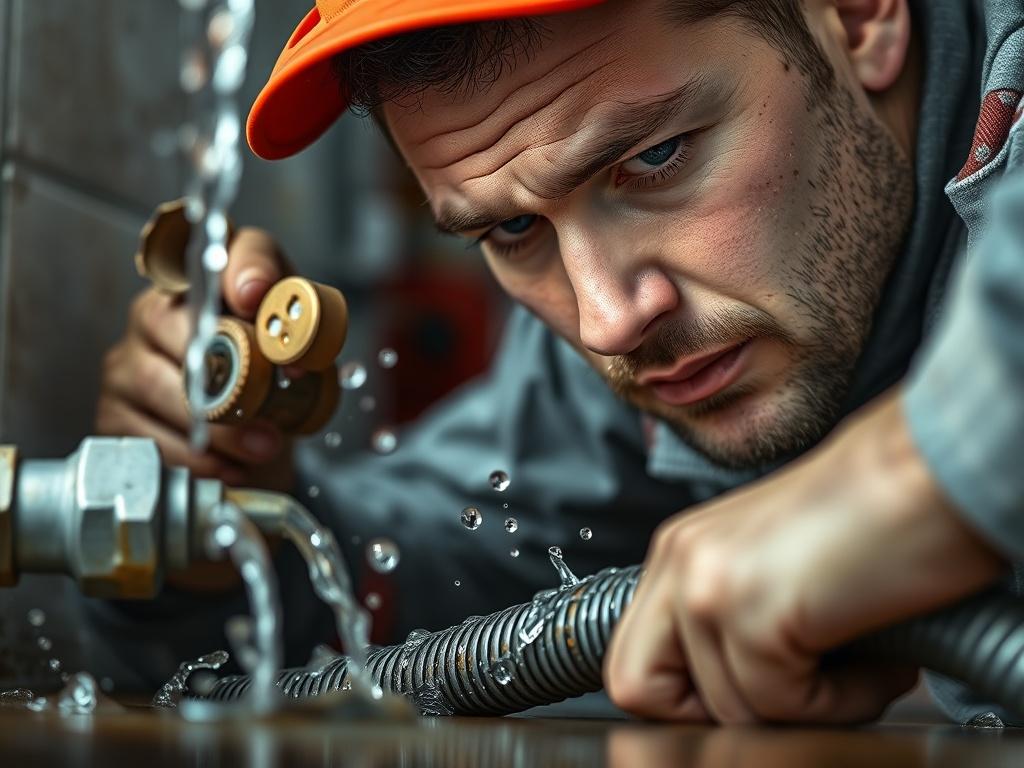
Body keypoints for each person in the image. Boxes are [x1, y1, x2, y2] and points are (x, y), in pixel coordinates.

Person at [94, 0, 1024, 724]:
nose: (608, 321)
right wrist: (225, 532)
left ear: (857, 18)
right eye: (512, 229)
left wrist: (917, 475)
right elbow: (439, 570)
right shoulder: (656, 331)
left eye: (656, 158)